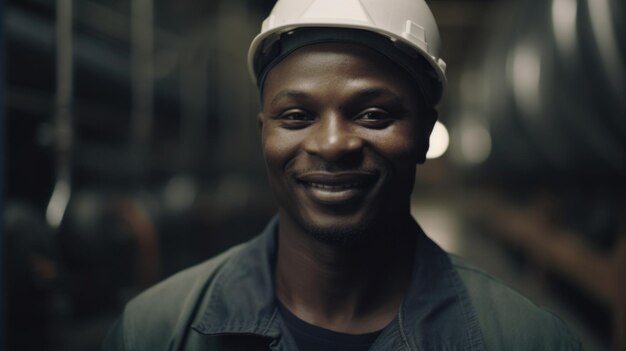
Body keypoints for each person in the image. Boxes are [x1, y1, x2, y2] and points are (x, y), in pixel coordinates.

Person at [103, 0, 581, 350]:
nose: (332, 144)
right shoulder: (154, 331)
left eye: (373, 114)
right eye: (295, 116)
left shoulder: (526, 341)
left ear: (423, 135)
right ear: (263, 133)